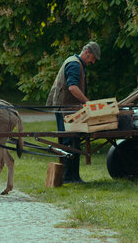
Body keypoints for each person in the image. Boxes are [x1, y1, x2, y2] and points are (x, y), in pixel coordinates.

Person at [46, 41, 101, 183]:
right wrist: (87, 102)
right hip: (65, 108)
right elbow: (72, 88)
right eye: (93, 58)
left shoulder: (77, 63)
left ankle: (73, 177)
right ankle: (67, 177)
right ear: (87, 52)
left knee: (73, 140)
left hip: (69, 108)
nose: (93, 62)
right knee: (68, 141)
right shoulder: (75, 64)